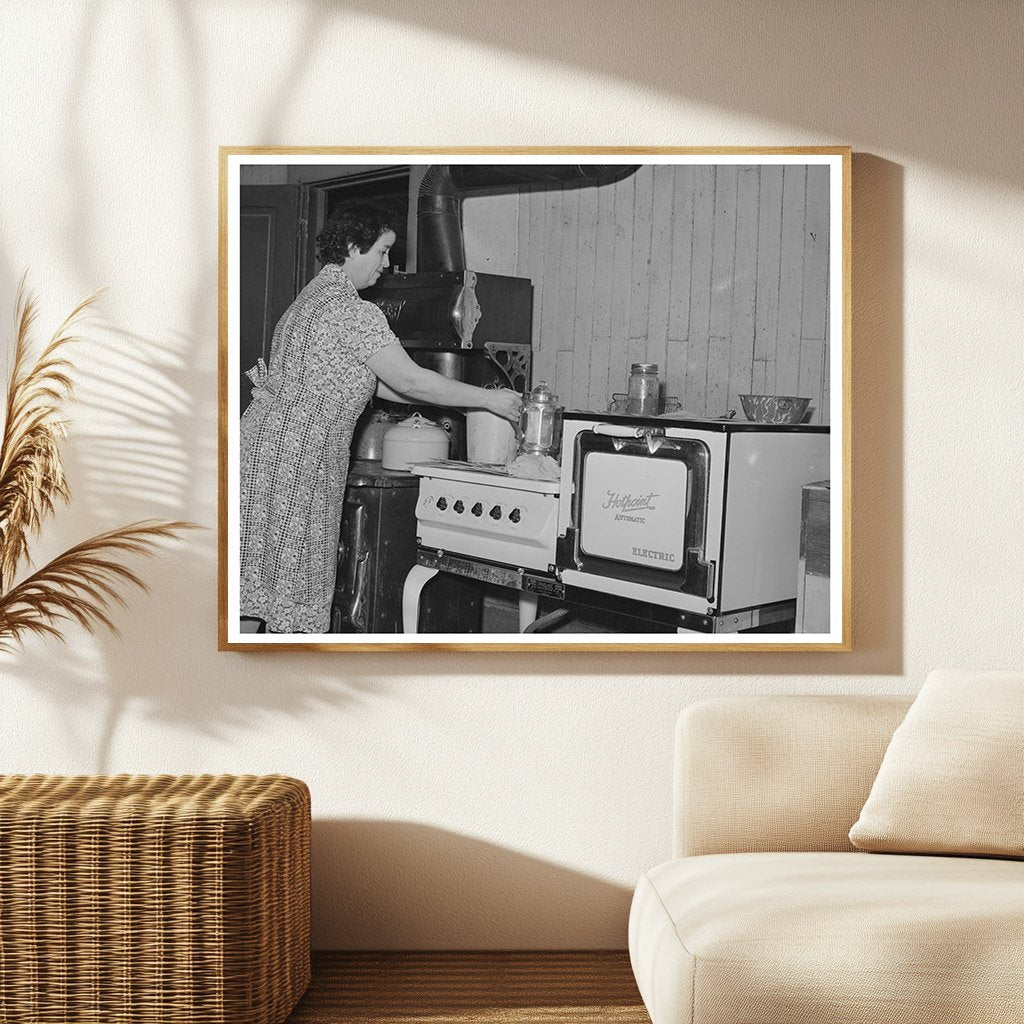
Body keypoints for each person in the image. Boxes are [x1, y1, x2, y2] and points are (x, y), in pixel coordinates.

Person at [239, 202, 521, 634]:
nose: (387, 266)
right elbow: (410, 380)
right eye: (383, 251)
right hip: (297, 462)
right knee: (285, 588)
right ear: (354, 247)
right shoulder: (354, 311)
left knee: (257, 584)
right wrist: (488, 401)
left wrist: (453, 401)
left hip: (265, 453)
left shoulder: (308, 300)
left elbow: (381, 382)